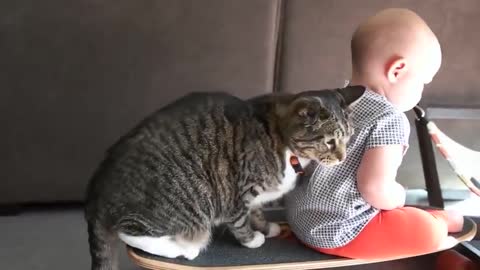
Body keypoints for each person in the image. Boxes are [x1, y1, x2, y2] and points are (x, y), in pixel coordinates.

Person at [285, 8, 464, 259]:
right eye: (422, 82)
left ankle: (437, 219)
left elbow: (295, 161)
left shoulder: (328, 103)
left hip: (298, 218)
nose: (421, 92)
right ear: (397, 71)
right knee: (424, 230)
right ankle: (438, 224)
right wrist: (398, 195)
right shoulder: (389, 119)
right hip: (340, 232)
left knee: (402, 215)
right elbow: (375, 188)